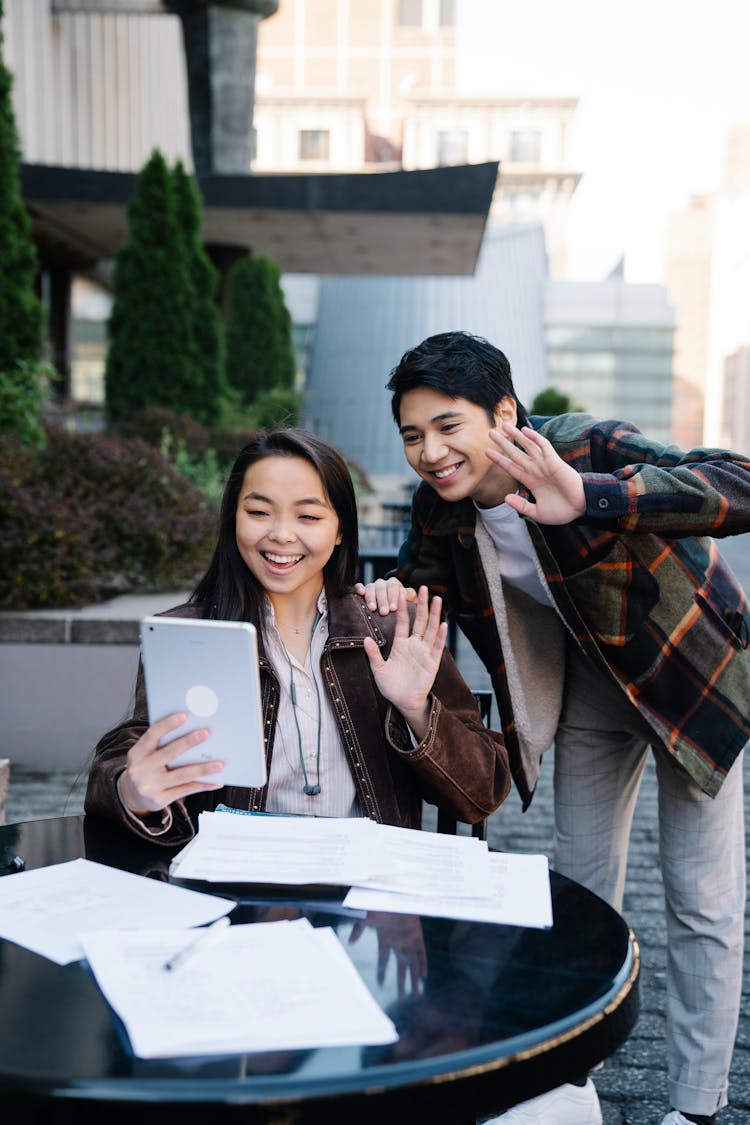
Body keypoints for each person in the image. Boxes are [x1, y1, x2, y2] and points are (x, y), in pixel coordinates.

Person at [357, 330, 750, 1125]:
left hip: (686, 675)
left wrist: (597, 495)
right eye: (412, 435)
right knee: (580, 891)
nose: (430, 452)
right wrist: (379, 599)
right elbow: (413, 585)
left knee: (702, 897)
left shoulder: (582, 445)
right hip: (591, 693)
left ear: (503, 413)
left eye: (447, 426)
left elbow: (737, 480)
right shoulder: (444, 511)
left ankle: (698, 1104)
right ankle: (574, 1073)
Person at [86, 427, 509, 847]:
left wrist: (417, 711)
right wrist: (132, 792)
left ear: (340, 529)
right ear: (233, 517)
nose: (282, 535)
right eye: (259, 512)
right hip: (237, 887)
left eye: (308, 516)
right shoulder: (191, 636)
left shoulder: (388, 629)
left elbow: (483, 792)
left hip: (369, 890)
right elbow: (125, 759)